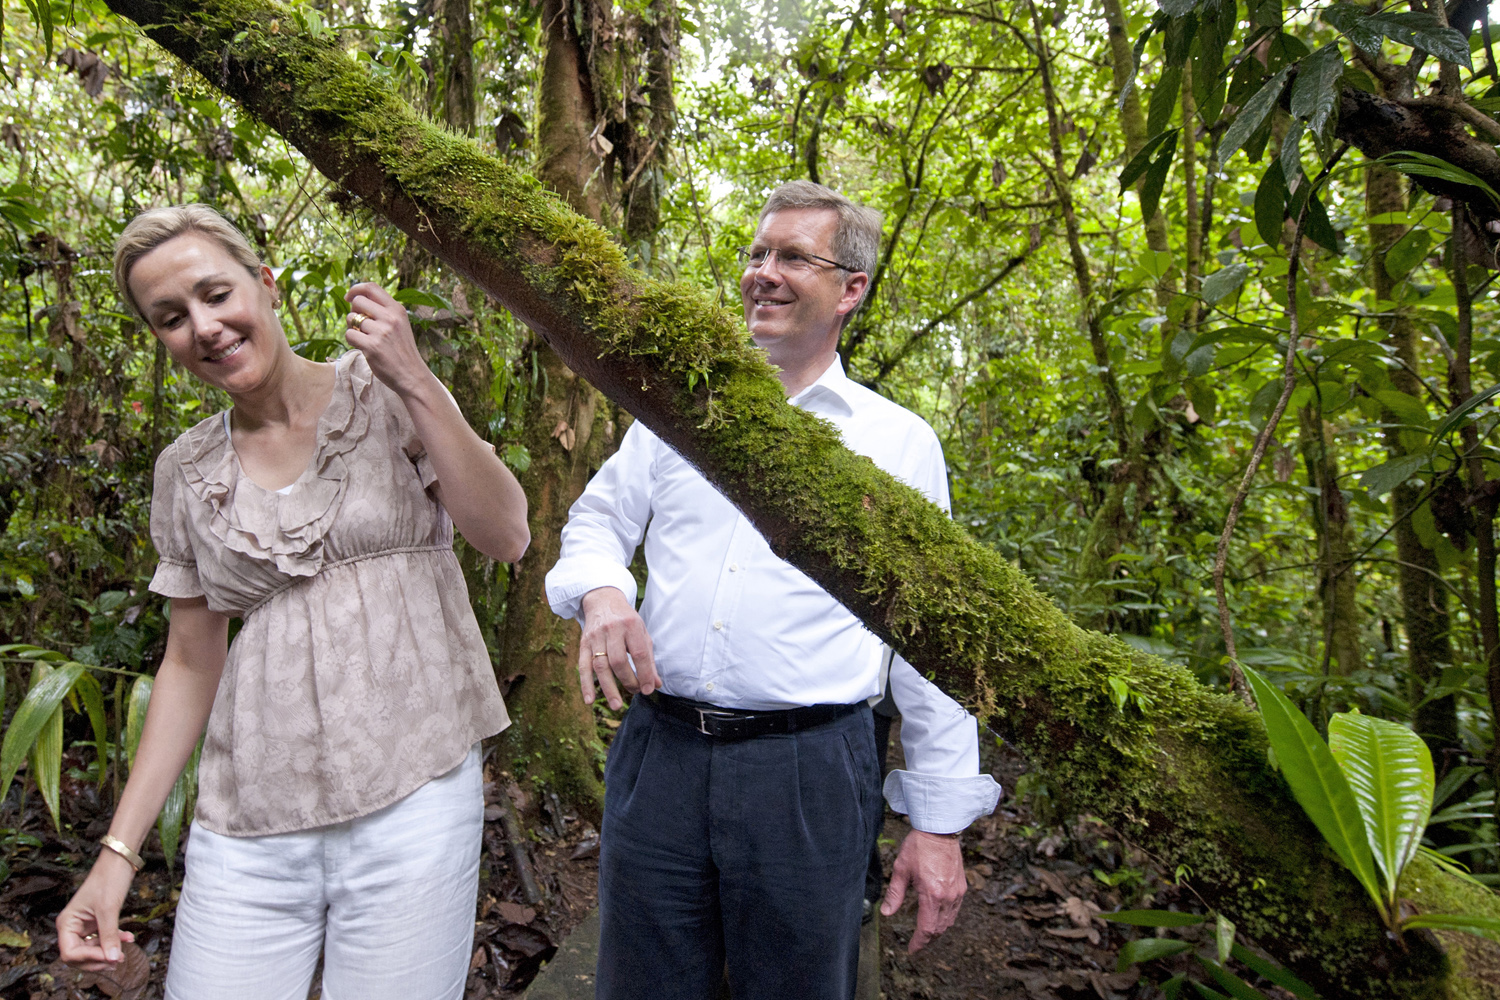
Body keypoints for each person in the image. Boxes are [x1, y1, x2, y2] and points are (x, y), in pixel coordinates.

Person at [55, 204, 529, 1000]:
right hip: (250, 820)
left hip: (412, 792)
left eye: (215, 294)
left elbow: (506, 534)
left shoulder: (383, 393)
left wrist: (413, 377)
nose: (203, 326)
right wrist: (116, 855)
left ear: (266, 285)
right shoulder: (187, 468)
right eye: (171, 317)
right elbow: (188, 662)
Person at [545, 180, 1002, 1000]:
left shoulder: (895, 441)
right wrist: (603, 594)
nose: (764, 272)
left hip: (810, 769)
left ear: (851, 289)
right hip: (661, 754)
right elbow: (597, 521)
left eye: (794, 256)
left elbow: (929, 637)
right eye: (757, 254)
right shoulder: (679, 411)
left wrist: (937, 823)